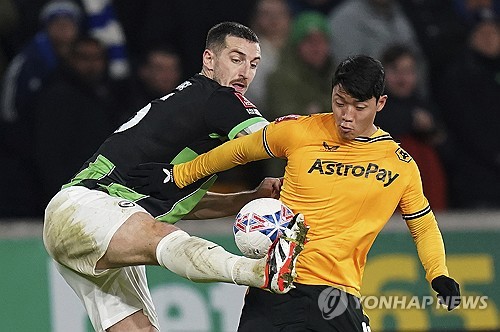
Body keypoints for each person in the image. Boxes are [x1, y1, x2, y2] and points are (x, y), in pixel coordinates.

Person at [130, 55, 461, 331]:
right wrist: (178, 175)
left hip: (337, 297)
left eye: (359, 107)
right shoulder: (300, 131)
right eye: (340, 102)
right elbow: (238, 151)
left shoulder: (399, 165)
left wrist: (438, 273)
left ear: (380, 103)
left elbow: (423, 225)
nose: (346, 116)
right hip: (274, 286)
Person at [42, 22, 308, 332]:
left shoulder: (191, 108)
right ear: (209, 60)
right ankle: (259, 272)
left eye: (253, 64)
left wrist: (247, 199)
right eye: (236, 59)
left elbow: (183, 204)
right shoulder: (219, 99)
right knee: (162, 238)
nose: (245, 72)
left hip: (96, 220)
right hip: (88, 208)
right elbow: (277, 142)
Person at [437, 7, 500, 209]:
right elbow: (466, 127)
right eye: (482, 33)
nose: (489, 39)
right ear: (471, 36)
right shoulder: (459, 75)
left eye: (494, 33)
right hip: (475, 176)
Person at [377, 43, 449, 210]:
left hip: (430, 203)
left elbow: (449, 152)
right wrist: (412, 121)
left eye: (408, 72)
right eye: (396, 71)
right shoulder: (371, 109)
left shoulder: (429, 107)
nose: (403, 78)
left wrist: (431, 131)